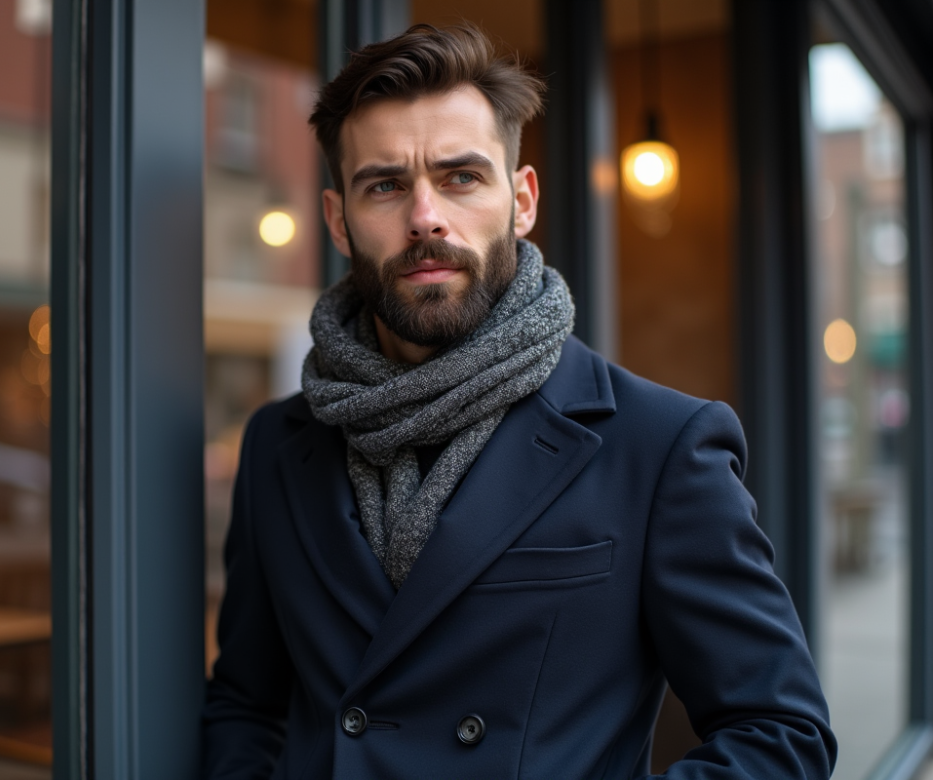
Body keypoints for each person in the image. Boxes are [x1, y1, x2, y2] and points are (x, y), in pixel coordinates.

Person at [203, 23, 836, 780]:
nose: (425, 217)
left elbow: (780, 732)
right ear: (340, 221)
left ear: (522, 200)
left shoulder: (658, 445)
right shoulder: (280, 442)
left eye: (461, 177)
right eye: (386, 185)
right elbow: (247, 704)